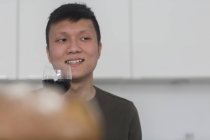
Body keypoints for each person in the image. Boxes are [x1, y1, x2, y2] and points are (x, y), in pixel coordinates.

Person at [45, 3, 142, 140]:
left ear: (99, 49)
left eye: (84, 38)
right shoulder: (24, 112)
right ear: (48, 53)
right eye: (62, 40)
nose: (74, 48)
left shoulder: (124, 112)